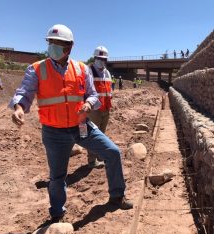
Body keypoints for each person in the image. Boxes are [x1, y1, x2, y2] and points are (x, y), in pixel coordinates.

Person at [10, 24, 133, 223]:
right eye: (51, 43)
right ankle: (57, 213)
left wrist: (88, 103)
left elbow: (93, 95)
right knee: (57, 176)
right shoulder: (37, 69)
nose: (53, 47)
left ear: (69, 47)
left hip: (81, 126)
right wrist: (18, 107)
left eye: (58, 44)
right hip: (54, 132)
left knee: (112, 152)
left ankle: (117, 196)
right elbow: (24, 92)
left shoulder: (81, 69)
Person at [87, 45, 113, 169]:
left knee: (102, 134)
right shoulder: (89, 71)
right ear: (95, 57)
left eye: (104, 59)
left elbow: (109, 89)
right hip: (94, 110)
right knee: (92, 134)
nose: (101, 61)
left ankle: (99, 156)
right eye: (99, 58)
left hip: (106, 108)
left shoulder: (107, 72)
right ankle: (92, 161)